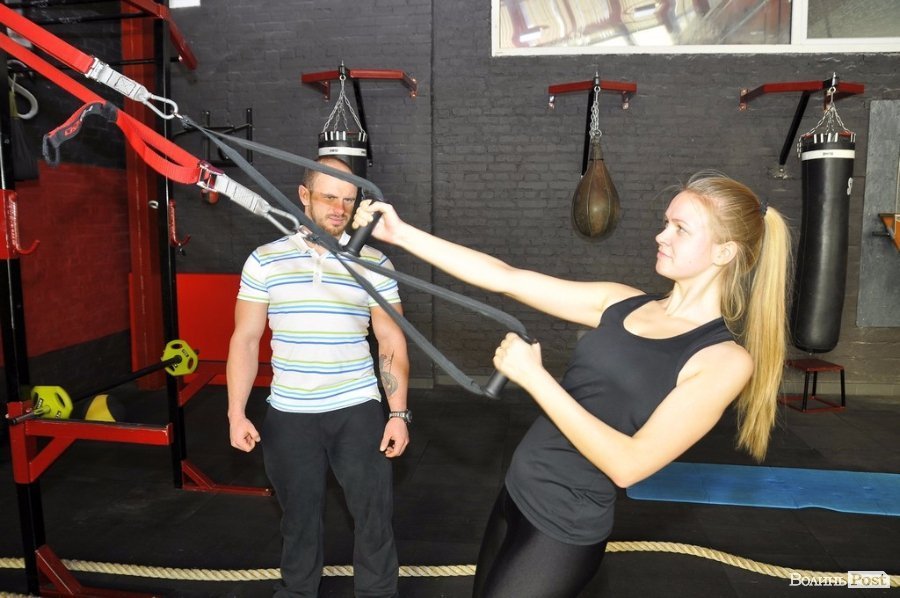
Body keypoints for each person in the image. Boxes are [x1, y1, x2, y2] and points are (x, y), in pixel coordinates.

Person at [352, 172, 791, 598]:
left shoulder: (723, 360)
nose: (661, 235)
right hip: (516, 493)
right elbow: (505, 277)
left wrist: (535, 378)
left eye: (681, 228)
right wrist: (401, 234)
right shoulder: (622, 302)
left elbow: (629, 465)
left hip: (562, 528)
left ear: (724, 252)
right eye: (665, 223)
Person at [227, 156, 410, 598]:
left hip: (357, 409)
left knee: (373, 518)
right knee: (298, 521)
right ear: (304, 196)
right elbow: (245, 340)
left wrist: (398, 414)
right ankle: (296, 592)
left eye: (349, 199)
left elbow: (391, 340)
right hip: (290, 414)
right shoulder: (264, 260)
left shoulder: (374, 262)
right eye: (329, 197)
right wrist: (236, 412)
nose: (339, 208)